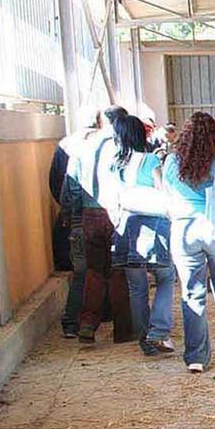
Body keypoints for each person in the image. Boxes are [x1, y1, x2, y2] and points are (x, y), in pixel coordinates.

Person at [162, 111, 215, 373]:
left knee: (192, 294)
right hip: (213, 231)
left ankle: (196, 356)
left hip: (183, 232)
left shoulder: (170, 163)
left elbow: (167, 196)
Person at [107, 113, 176, 357]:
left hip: (126, 228)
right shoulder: (150, 161)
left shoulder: (115, 164)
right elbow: (163, 191)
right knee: (166, 277)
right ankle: (158, 331)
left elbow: (111, 199)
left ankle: (144, 337)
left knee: (137, 288)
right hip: (153, 228)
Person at [70, 105, 134, 345]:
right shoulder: (123, 146)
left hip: (90, 214)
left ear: (100, 122)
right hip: (117, 213)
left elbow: (71, 185)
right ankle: (124, 330)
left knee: (94, 271)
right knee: (119, 271)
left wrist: (77, 213)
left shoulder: (82, 147)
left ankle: (87, 323)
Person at [49, 121, 97, 338]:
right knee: (103, 271)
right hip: (101, 217)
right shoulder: (101, 155)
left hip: (78, 221)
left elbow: (63, 193)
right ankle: (95, 318)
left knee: (82, 272)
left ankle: (72, 322)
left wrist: (69, 215)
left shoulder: (70, 155)